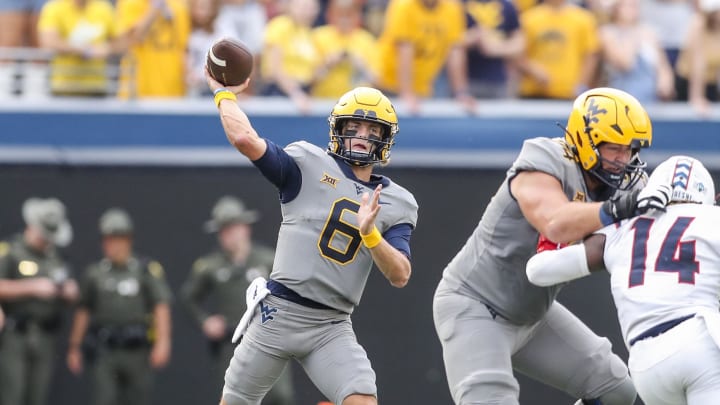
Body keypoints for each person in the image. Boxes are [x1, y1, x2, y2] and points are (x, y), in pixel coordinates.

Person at [432, 87, 673, 405]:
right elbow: (556, 223)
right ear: (586, 141)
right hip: (477, 306)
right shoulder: (545, 159)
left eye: (630, 149)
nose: (623, 159)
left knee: (616, 392)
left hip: (534, 314)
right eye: (614, 148)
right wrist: (618, 209)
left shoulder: (625, 186)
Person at [205, 73, 418, 404]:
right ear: (338, 129)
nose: (362, 136)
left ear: (385, 139)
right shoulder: (307, 163)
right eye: (354, 127)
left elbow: (400, 274)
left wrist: (370, 234)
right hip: (278, 312)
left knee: (362, 400)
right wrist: (222, 93)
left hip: (330, 325)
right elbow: (245, 139)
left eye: (373, 130)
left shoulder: (396, 202)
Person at [527, 155, 719, 405]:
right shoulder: (712, 219)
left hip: (645, 366)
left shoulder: (620, 229)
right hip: (700, 344)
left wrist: (559, 235)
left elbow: (537, 271)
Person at [180, 196, 295, 405]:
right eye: (223, 230)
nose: (229, 235)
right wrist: (205, 321)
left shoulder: (268, 259)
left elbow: (291, 291)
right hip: (233, 343)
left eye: (233, 227)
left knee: (279, 396)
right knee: (235, 397)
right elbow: (189, 298)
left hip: (268, 338)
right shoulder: (210, 266)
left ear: (245, 227)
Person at [66, 208, 172, 405]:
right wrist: (75, 346)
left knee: (137, 399)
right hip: (106, 350)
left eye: (117, 239)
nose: (111, 245)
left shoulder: (144, 270)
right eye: (107, 239)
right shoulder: (95, 273)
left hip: (137, 350)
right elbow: (83, 310)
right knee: (104, 399)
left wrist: (163, 341)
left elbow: (160, 305)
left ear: (128, 240)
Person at [0, 197, 79, 405]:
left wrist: (67, 292)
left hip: (45, 335)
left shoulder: (55, 258)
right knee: (12, 393)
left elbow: (68, 290)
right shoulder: (10, 251)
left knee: (38, 396)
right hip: (15, 334)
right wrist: (32, 287)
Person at [36, 0, 118, 97]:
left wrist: (108, 48)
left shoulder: (103, 7)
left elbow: (119, 40)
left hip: (96, 87)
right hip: (63, 87)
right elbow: (48, 41)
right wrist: (85, 51)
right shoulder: (54, 7)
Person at [115, 0, 191, 98]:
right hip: (137, 94)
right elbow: (131, 39)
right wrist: (154, 9)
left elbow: (183, 47)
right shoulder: (130, 3)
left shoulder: (179, 5)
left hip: (173, 92)